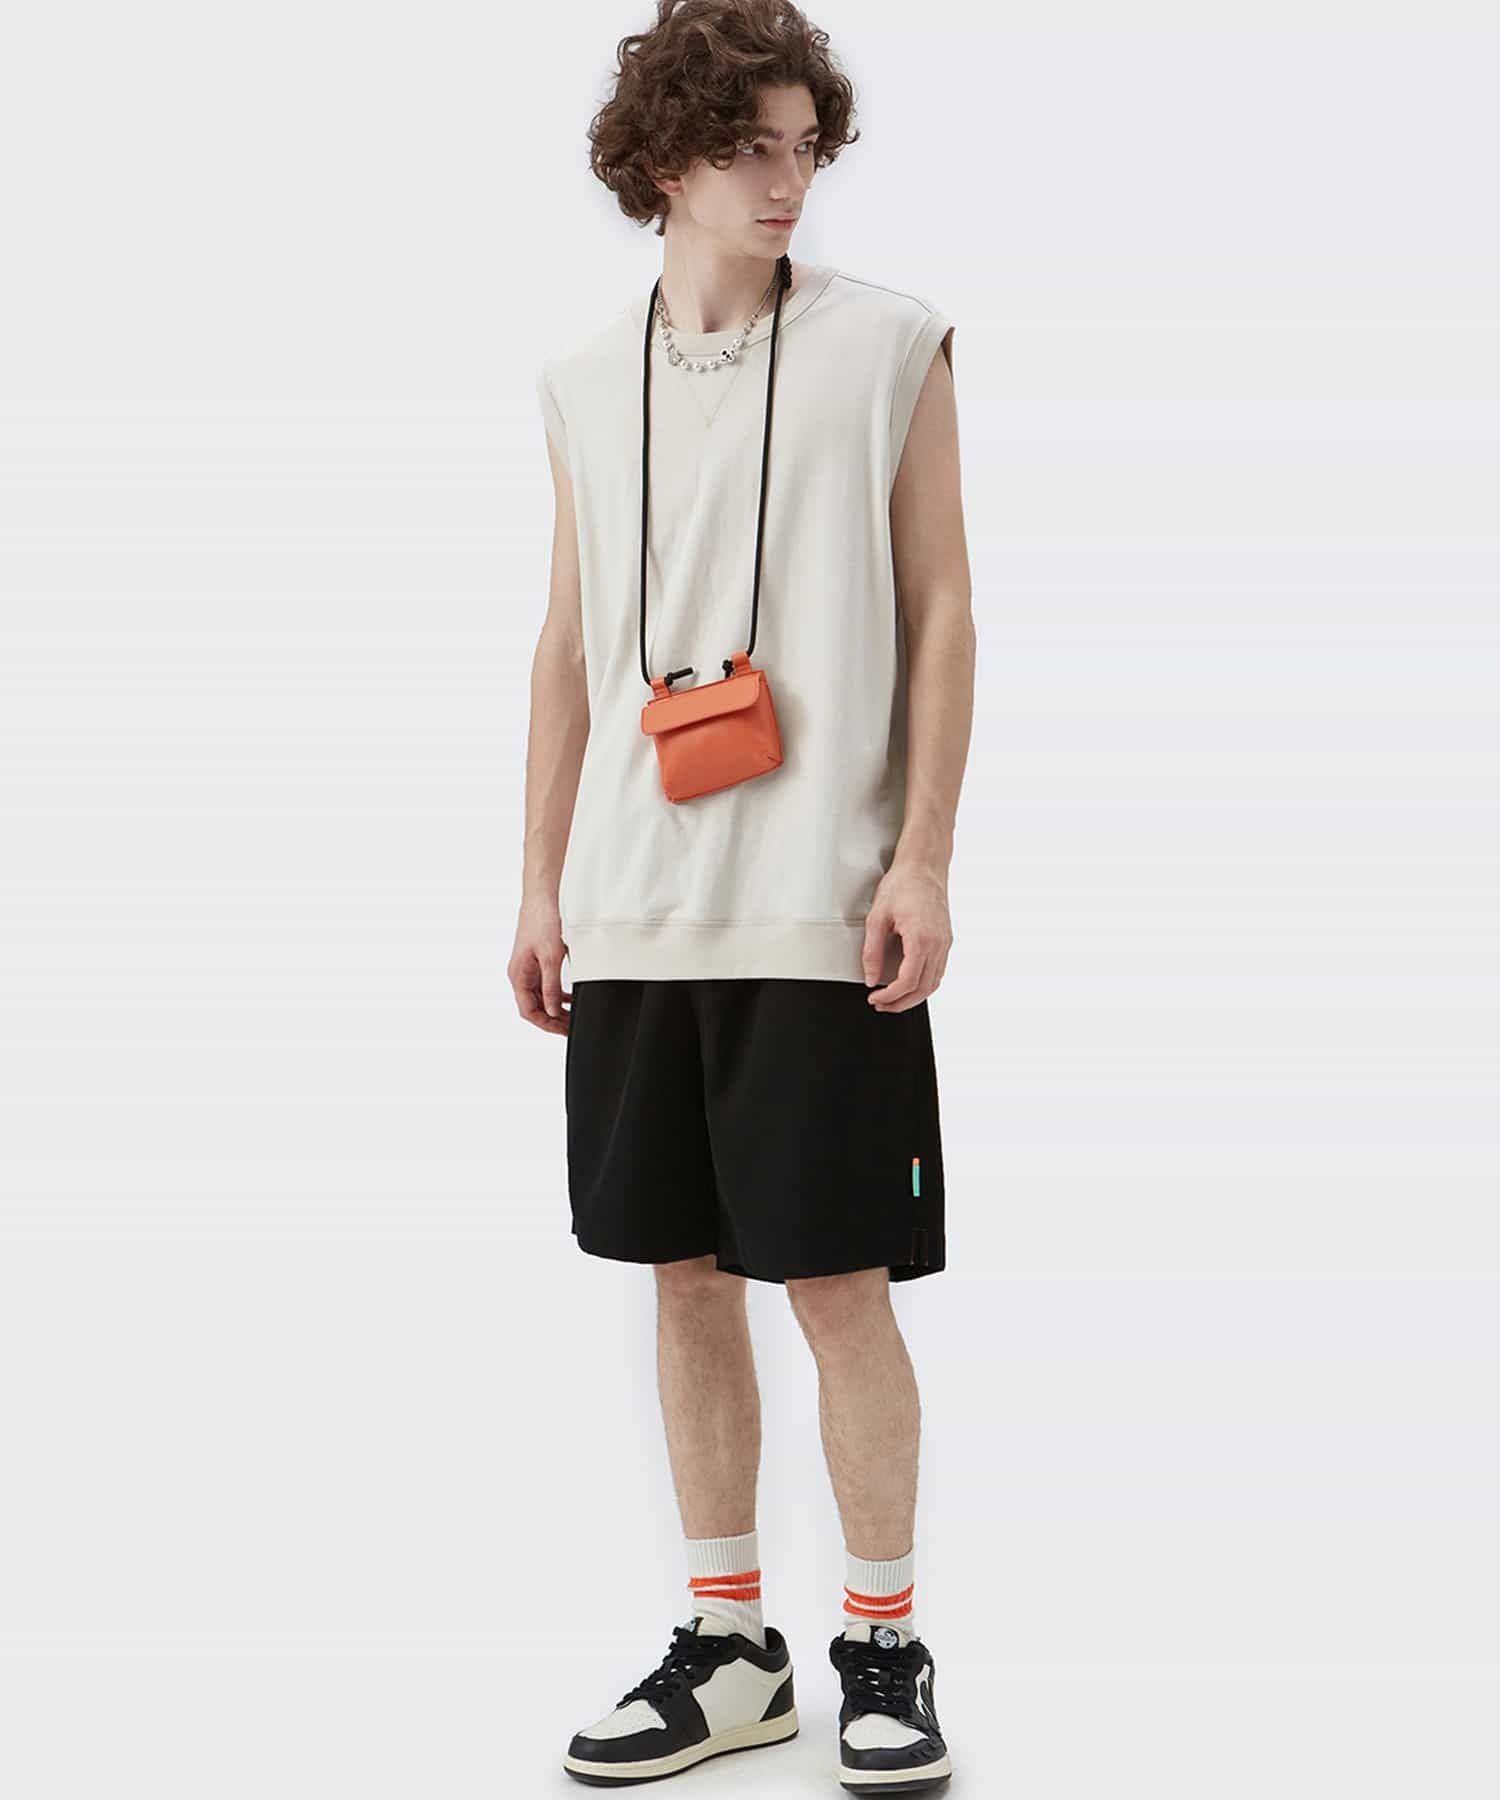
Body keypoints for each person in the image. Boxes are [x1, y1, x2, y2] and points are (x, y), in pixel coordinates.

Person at [510, 1, 974, 1788]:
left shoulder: (891, 344)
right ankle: (727, 1649)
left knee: (836, 1284)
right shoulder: (581, 379)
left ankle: (884, 1644)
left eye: (803, 146)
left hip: (820, 906)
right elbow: (567, 648)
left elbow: (942, 610)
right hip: (634, 908)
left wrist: (922, 855)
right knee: (683, 1277)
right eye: (747, 147)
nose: (787, 181)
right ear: (663, 162)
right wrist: (540, 884)